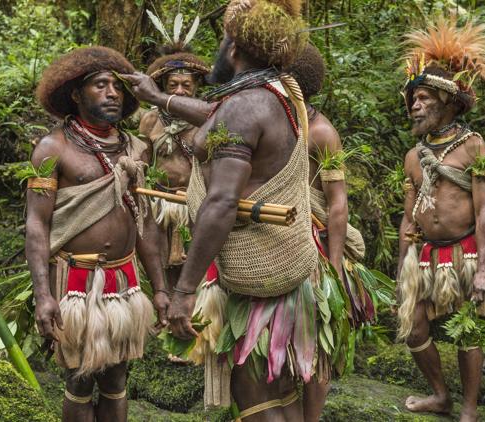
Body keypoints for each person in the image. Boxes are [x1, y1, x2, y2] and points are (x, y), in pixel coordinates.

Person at [122, 1, 344, 419]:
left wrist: (185, 291)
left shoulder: (245, 106)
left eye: (223, 40)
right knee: (280, 392)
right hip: (286, 266)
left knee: (254, 394)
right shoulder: (277, 94)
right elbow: (218, 114)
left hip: (257, 273)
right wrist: (159, 98)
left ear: (234, 50)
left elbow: (222, 202)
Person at [26, 46, 169, 422]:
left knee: (118, 373)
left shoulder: (135, 149)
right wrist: (43, 295)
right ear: (75, 94)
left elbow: (146, 222)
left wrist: (162, 288)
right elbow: (37, 225)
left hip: (125, 278)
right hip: (74, 280)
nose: (111, 93)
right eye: (100, 85)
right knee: (79, 375)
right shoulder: (52, 149)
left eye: (117, 88)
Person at [397, 17, 485, 421]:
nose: (416, 105)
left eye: (424, 98)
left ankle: (470, 408)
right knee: (414, 329)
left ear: (447, 102)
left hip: (463, 252)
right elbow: (408, 219)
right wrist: (401, 268)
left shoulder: (472, 145)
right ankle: (440, 395)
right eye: (413, 99)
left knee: (467, 331)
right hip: (425, 255)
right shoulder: (413, 156)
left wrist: (483, 269)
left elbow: (482, 209)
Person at [286, 43, 393, 421]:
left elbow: (337, 204)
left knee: (315, 340)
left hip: (313, 245)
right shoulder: (272, 122)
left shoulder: (320, 132)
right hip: (273, 243)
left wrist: (331, 267)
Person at [139, 43, 210, 290]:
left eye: (186, 85)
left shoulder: (208, 121)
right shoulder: (150, 120)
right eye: (172, 85)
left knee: (196, 271)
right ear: (163, 88)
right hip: (159, 204)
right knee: (160, 268)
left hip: (195, 205)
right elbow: (143, 163)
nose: (179, 91)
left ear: (197, 87)